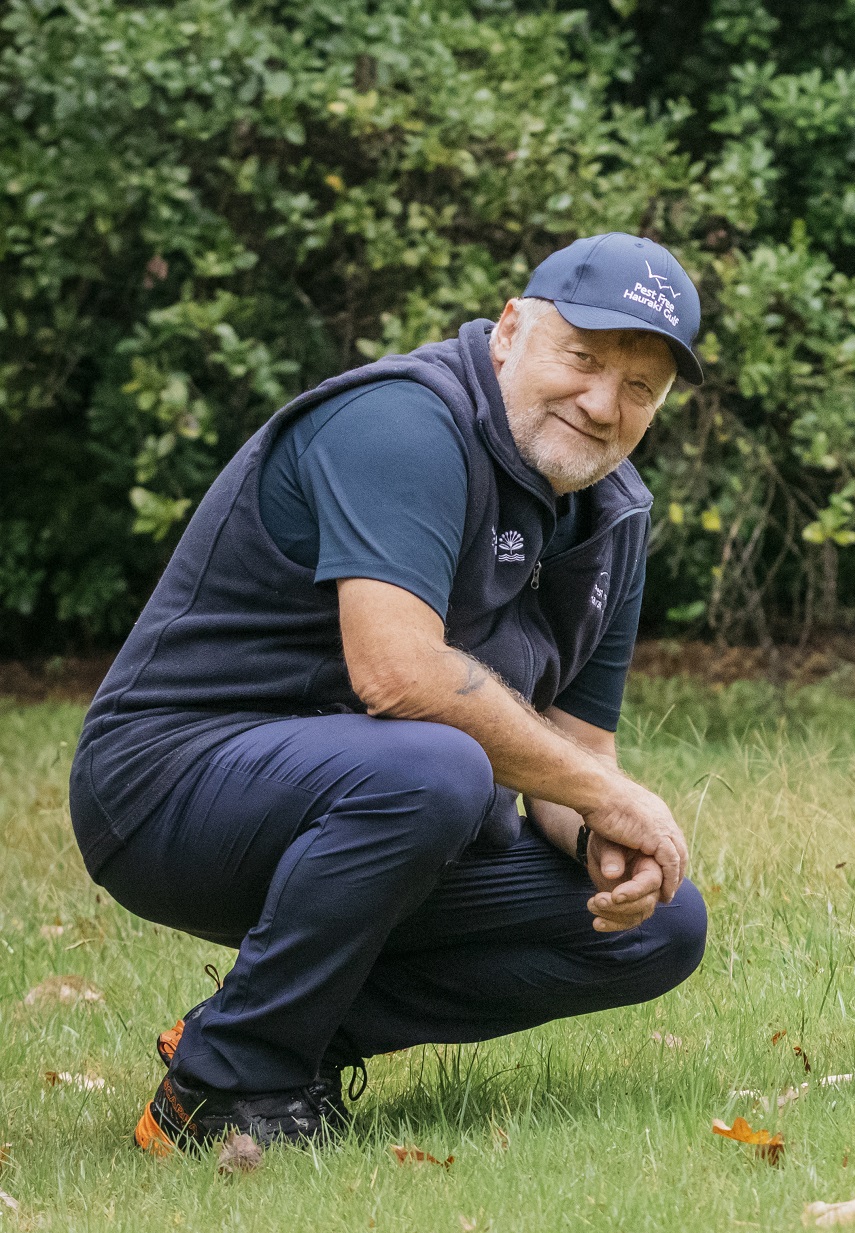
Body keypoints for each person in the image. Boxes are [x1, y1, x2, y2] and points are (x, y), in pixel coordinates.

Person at [68, 233, 709, 1154]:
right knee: (437, 765)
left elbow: (577, 758)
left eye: (640, 387)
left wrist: (610, 837)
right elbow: (398, 674)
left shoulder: (613, 517)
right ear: (511, 332)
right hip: (167, 789)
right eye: (583, 357)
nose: (603, 403)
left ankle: (262, 1035)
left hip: (388, 813)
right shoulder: (401, 423)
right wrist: (608, 796)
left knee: (660, 928)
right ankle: (218, 1093)